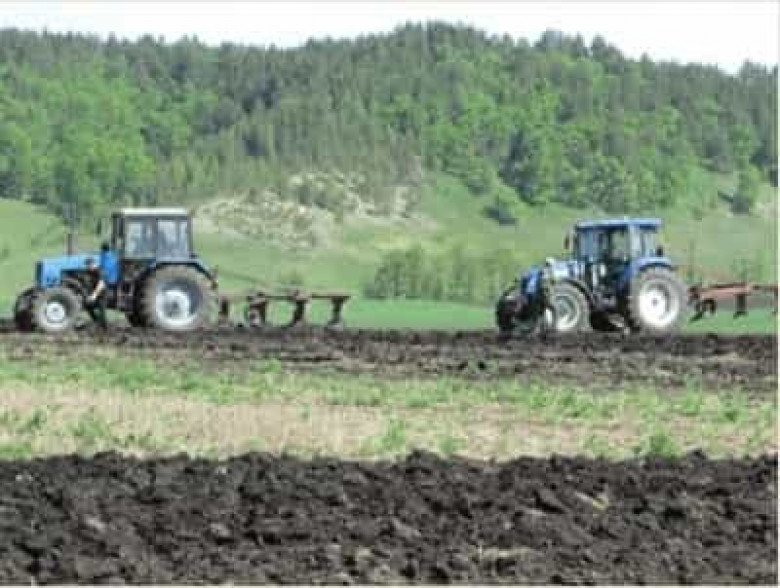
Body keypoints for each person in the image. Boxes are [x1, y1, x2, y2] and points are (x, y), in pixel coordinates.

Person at [84, 257, 108, 330]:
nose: (88, 267)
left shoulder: (100, 271)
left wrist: (94, 295)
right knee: (87, 306)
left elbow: (101, 284)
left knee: (102, 312)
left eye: (89, 265)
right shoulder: (88, 271)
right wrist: (88, 295)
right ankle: (97, 321)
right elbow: (87, 283)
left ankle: (105, 329)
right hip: (94, 294)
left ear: (94, 264)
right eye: (87, 265)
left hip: (101, 295)